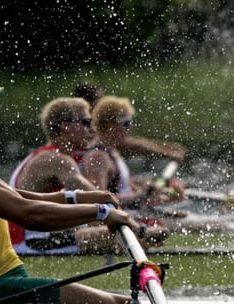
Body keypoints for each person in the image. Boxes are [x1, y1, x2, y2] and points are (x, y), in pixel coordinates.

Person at [0, 68, 148, 304]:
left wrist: (79, 198)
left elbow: (23, 197)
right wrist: (101, 212)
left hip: (9, 286)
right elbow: (30, 215)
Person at [9, 96, 166, 254]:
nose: (92, 130)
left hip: (46, 232)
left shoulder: (51, 156)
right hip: (31, 241)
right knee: (140, 237)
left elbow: (91, 202)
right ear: (65, 126)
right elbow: (96, 197)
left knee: (129, 233)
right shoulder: (56, 160)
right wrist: (139, 228)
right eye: (85, 122)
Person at [82, 95, 184, 210]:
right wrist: (142, 194)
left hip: (132, 213)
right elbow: (98, 202)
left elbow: (127, 190)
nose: (130, 127)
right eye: (125, 123)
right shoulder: (98, 157)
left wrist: (167, 193)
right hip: (119, 221)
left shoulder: (112, 151)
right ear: (107, 125)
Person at [72, 82, 188, 162]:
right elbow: (129, 144)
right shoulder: (82, 129)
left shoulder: (93, 129)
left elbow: (131, 142)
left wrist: (166, 147)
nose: (103, 104)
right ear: (86, 104)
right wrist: (167, 153)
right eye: (99, 100)